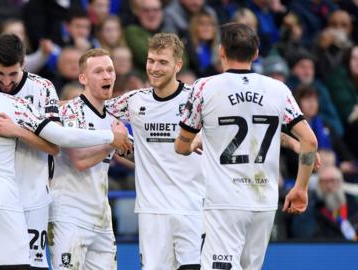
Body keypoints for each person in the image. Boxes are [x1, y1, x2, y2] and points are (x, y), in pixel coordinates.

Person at [0, 34, 132, 269]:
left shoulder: (42, 88)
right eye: (0, 74)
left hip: (32, 194)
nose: (5, 82)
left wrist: (17, 131)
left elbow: (54, 146)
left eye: (13, 74)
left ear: (23, 63)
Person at [175, 23, 318, 270]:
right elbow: (310, 141)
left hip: (225, 203)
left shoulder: (204, 87)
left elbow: (181, 145)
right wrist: (301, 188)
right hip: (264, 201)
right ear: (256, 53)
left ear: (221, 51)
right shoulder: (278, 89)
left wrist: (196, 142)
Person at [106, 33, 205, 269]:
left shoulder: (198, 101)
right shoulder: (134, 101)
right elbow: (87, 109)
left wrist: (295, 142)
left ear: (177, 65)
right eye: (151, 61)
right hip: (152, 211)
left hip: (193, 207)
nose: (155, 68)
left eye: (162, 62)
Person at [48, 48, 120, 270]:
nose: (107, 76)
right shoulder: (71, 111)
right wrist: (112, 142)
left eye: (110, 70)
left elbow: (128, 149)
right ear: (83, 78)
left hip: (101, 218)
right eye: (98, 71)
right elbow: (79, 161)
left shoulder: (113, 115)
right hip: (69, 215)